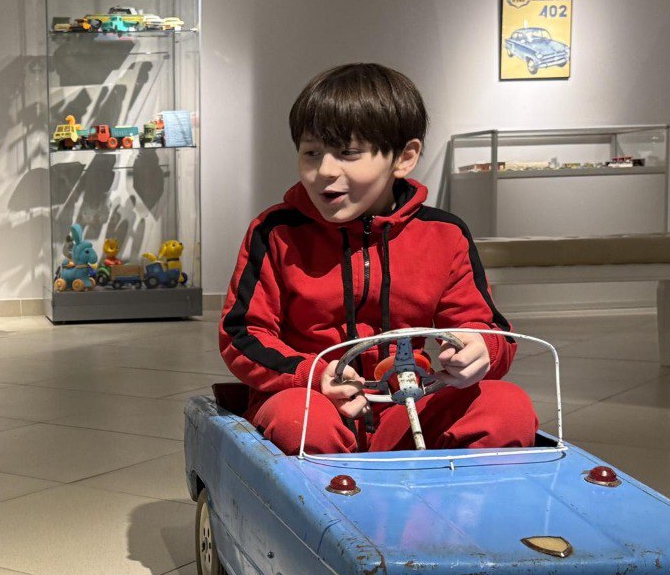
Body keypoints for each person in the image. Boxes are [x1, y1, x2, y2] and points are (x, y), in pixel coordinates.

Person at [220, 63, 537, 454]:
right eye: (311, 153)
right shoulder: (275, 232)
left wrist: (480, 349)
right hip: (311, 401)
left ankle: (456, 494)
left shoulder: (444, 234)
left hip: (408, 404)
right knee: (299, 423)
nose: (324, 170)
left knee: (507, 407)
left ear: (404, 158)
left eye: (348, 153)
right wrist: (313, 375)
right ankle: (327, 491)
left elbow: (486, 326)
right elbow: (241, 334)